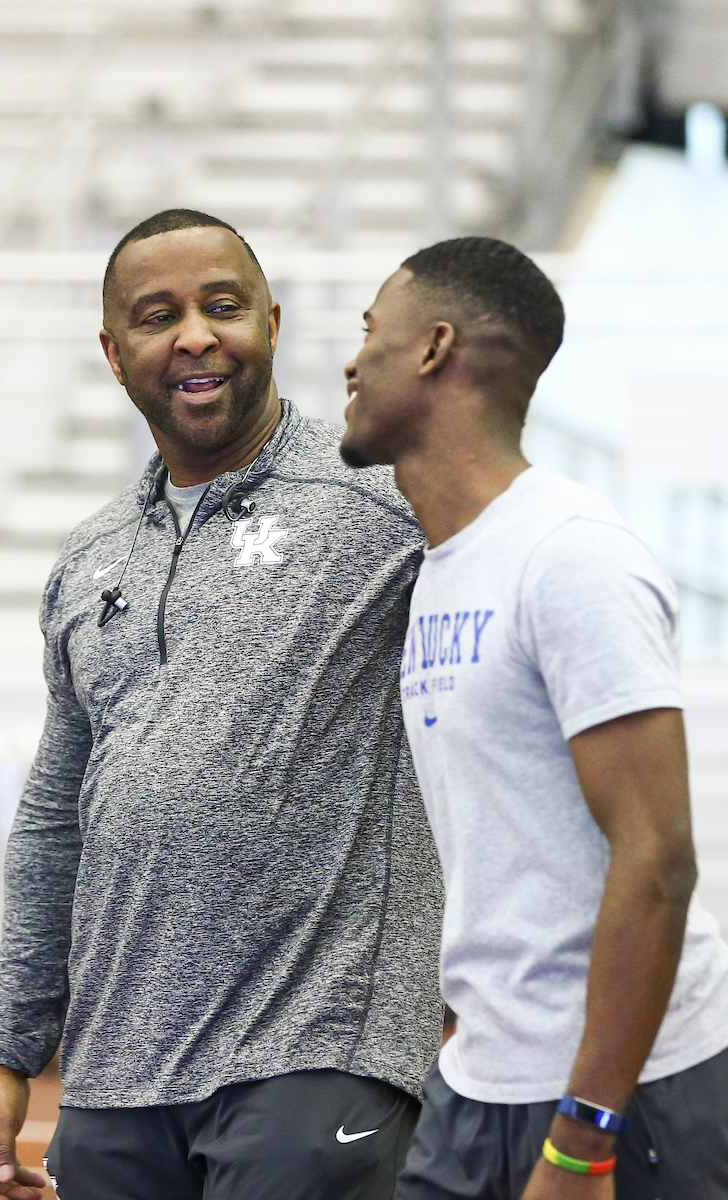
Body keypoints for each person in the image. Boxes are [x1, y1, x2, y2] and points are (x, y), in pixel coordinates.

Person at [0, 209, 444, 1200]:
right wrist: (7, 1051)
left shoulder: (388, 502)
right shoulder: (90, 558)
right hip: (117, 1076)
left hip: (318, 1050)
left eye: (222, 307)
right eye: (157, 316)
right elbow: (55, 819)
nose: (194, 336)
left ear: (271, 324)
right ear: (113, 352)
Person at [340, 236, 728, 1200]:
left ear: (433, 348)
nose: (351, 363)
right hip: (481, 1081)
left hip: (630, 1095)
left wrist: (586, 1134)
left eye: (371, 333)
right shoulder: (444, 565)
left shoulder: (571, 555)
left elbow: (657, 859)